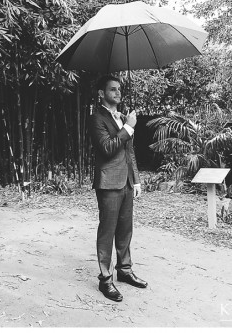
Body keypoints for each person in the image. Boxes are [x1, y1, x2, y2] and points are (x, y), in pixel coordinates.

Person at [88, 74, 147, 302]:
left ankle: (124, 270)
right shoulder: (96, 119)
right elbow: (107, 148)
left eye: (119, 89)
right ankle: (105, 279)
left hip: (126, 182)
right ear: (101, 93)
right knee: (107, 231)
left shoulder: (122, 117)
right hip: (108, 182)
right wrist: (128, 129)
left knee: (125, 229)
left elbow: (129, 152)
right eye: (113, 89)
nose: (118, 93)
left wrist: (137, 180)